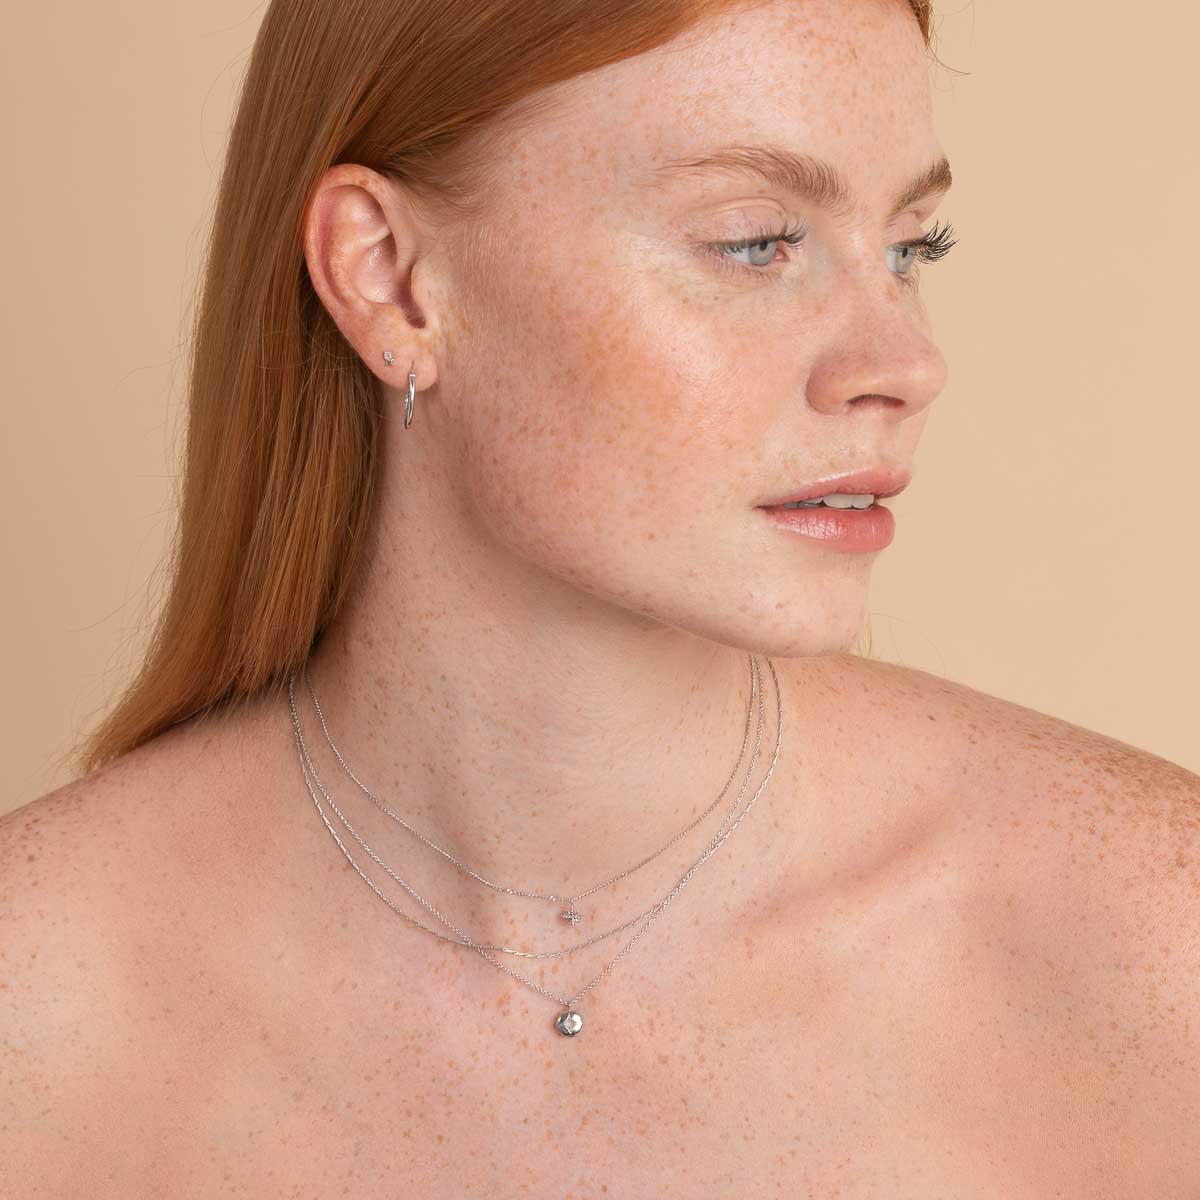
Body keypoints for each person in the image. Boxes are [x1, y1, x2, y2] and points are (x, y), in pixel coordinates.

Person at [4, 0, 1198, 1193]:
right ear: (392, 281)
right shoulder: (41, 999)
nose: (904, 364)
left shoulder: (1152, 938)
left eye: (910, 248)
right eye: (755, 242)